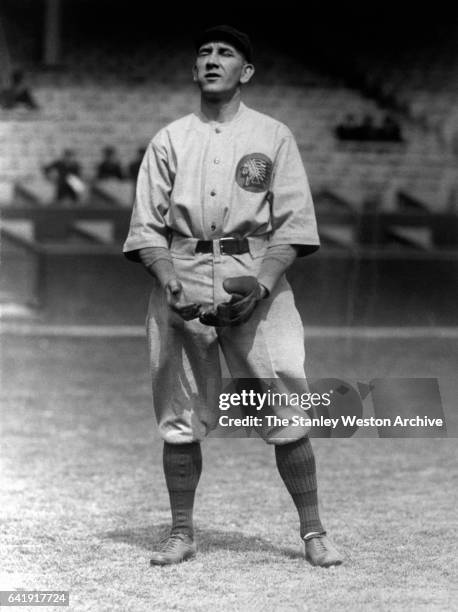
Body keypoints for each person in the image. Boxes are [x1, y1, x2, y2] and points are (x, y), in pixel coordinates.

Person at [123, 25, 343, 568]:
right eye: (203, 52)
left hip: (254, 271)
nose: (212, 59)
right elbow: (147, 227)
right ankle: (180, 532)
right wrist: (167, 276)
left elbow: (293, 225)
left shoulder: (273, 136)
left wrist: (265, 282)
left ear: (245, 71)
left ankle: (313, 532)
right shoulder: (170, 139)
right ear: (195, 70)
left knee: (286, 397)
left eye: (225, 53)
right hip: (185, 268)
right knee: (179, 409)